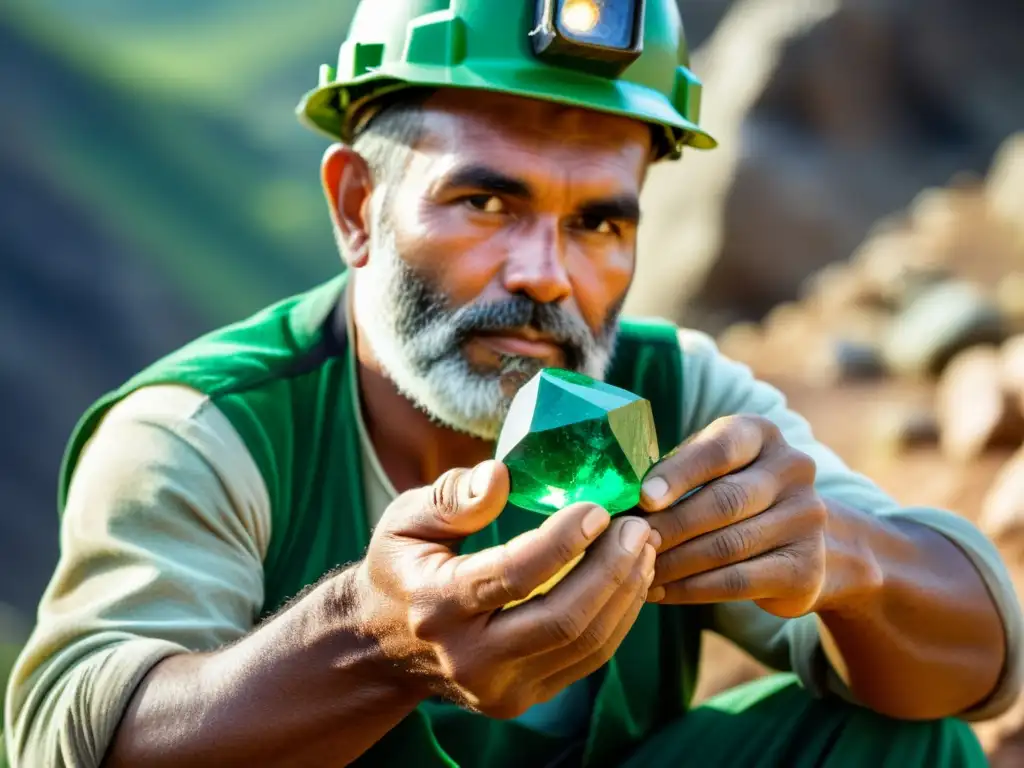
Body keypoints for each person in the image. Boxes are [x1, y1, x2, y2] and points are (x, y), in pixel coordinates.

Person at [5, 0, 1022, 766]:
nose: (546, 274)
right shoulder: (207, 430)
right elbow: (66, 740)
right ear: (358, 207)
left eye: (599, 223)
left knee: (898, 740)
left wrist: (840, 558)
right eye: (487, 201)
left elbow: (984, 664)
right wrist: (373, 645)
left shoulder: (674, 395)